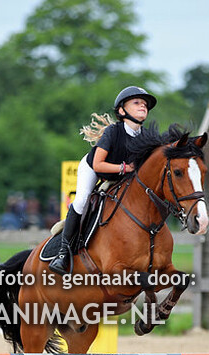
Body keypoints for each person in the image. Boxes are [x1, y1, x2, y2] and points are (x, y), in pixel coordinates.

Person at [49, 86, 157, 275]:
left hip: (122, 176)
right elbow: (99, 165)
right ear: (122, 111)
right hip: (95, 169)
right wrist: (125, 168)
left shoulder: (147, 137)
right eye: (137, 102)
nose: (143, 106)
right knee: (82, 200)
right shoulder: (113, 132)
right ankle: (63, 252)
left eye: (145, 104)